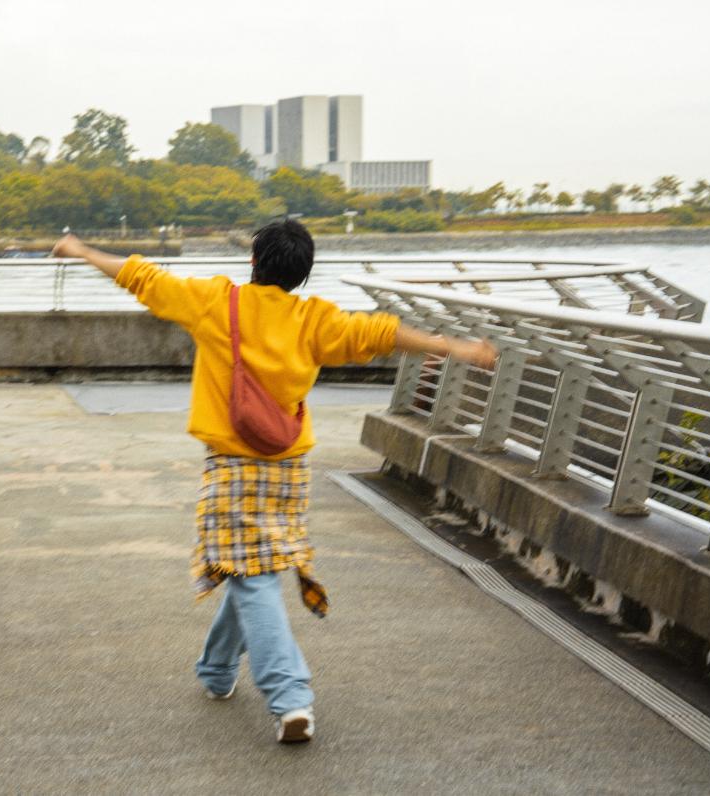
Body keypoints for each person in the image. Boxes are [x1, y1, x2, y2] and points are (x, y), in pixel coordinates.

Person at [51, 221, 497, 744]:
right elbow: (382, 333)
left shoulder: (216, 302)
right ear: (303, 273)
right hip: (288, 470)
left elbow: (140, 276)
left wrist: (80, 249)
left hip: (233, 466)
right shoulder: (315, 319)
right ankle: (216, 671)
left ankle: (291, 699)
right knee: (252, 569)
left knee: (252, 577)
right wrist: (457, 348)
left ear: (254, 262)